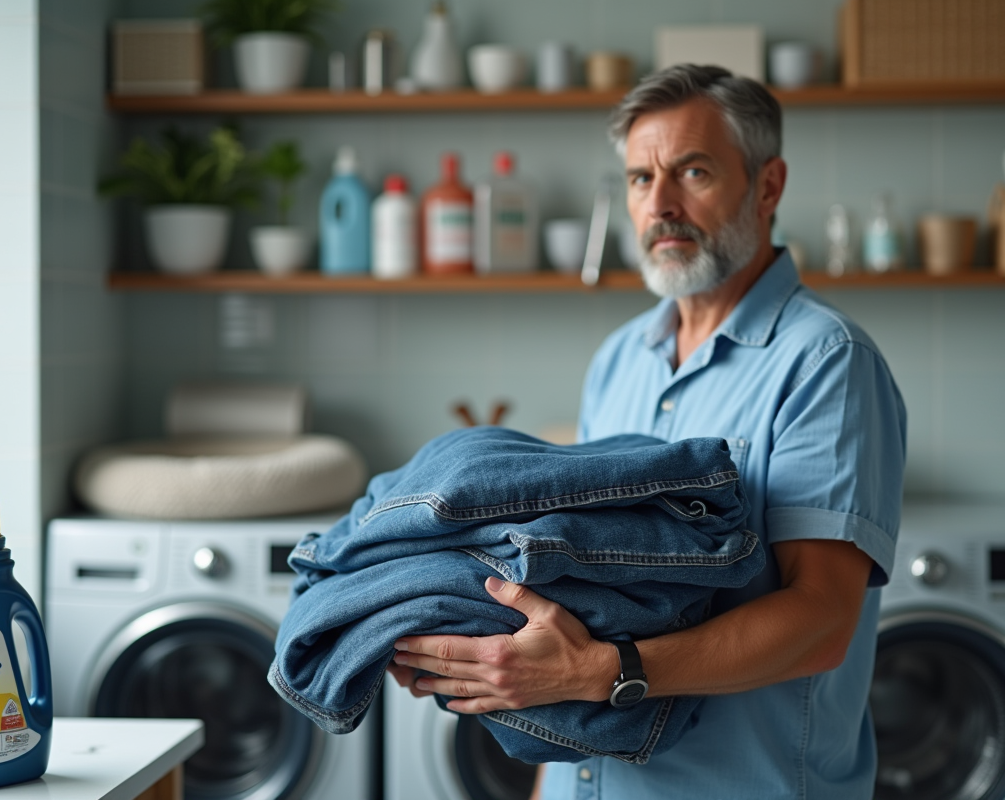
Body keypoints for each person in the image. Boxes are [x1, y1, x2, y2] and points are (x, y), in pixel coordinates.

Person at [386, 64, 907, 800]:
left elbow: (821, 620)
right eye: (638, 179)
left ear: (767, 186)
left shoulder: (825, 363)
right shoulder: (620, 359)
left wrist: (605, 672)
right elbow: (580, 599)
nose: (660, 204)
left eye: (692, 172)